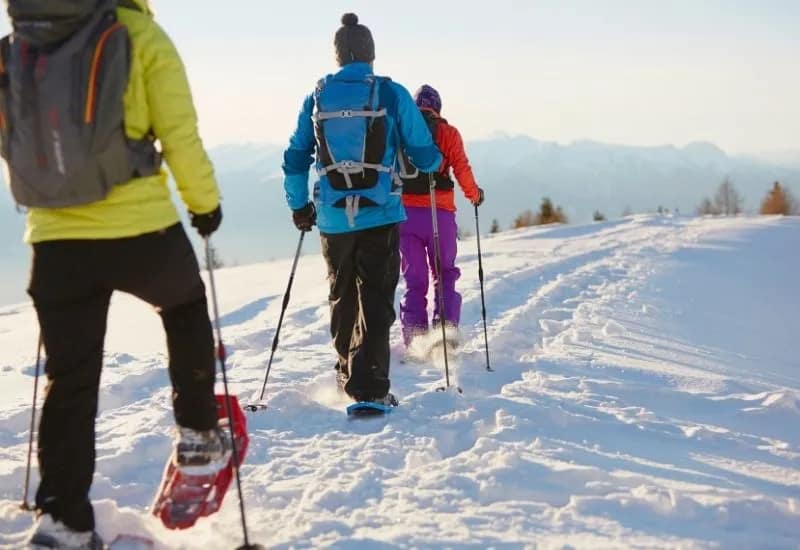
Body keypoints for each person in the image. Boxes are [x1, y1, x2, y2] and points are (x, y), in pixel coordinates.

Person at [1, 1, 226, 547]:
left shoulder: (21, 41)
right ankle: (198, 432)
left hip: (55, 243)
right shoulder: (138, 33)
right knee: (185, 306)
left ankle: (61, 519)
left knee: (70, 379)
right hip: (139, 229)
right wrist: (204, 204)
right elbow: (179, 133)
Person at [283, 13, 442, 406]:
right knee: (375, 297)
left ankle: (344, 375)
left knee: (341, 295)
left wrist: (299, 205)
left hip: (334, 217)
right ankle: (369, 390)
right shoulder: (391, 94)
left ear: (338, 56)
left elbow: (295, 156)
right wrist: (435, 160)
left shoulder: (317, 96)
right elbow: (423, 154)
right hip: (381, 212)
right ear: (371, 53)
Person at [398, 85, 484, 348]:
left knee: (415, 279)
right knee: (444, 272)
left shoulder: (401, 133)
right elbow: (461, 168)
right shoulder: (448, 132)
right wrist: (474, 195)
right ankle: (445, 334)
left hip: (405, 216)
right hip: (440, 213)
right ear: (438, 107)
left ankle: (414, 339)